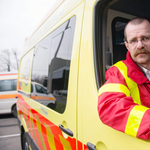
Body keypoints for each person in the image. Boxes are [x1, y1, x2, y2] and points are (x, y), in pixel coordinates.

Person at [98, 17, 150, 140]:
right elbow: (108, 107)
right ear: (127, 45)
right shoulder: (118, 72)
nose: (140, 45)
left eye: (145, 38)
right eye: (133, 41)